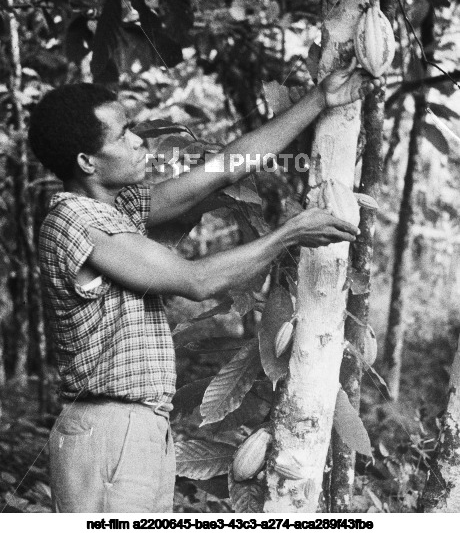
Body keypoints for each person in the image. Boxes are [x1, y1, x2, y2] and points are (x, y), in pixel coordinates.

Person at [28, 62, 377, 513]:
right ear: (86, 162)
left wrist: (319, 99)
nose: (139, 141)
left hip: (144, 424)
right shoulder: (77, 220)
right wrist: (288, 234)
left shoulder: (119, 208)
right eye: (122, 135)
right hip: (108, 428)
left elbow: (223, 170)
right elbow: (198, 280)